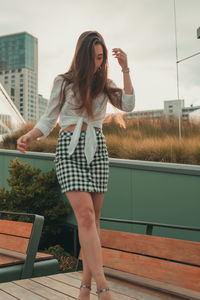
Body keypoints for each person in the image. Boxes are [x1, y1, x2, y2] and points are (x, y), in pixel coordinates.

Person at [17, 31, 135, 300]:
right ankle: (103, 288)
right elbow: (48, 121)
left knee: (93, 221)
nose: (98, 63)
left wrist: (126, 69)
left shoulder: (105, 83)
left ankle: (84, 286)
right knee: (85, 216)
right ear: (82, 56)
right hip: (69, 150)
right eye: (94, 57)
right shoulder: (63, 81)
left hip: (98, 150)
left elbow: (128, 104)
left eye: (101, 57)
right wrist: (28, 136)